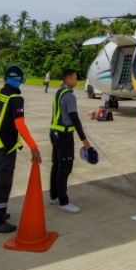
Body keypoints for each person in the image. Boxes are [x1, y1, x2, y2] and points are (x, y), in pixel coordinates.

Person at [0, 65, 42, 234]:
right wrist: (33, 146)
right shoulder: (16, 99)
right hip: (6, 146)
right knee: (2, 181)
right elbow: (19, 124)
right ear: (20, 79)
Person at [48, 68, 91, 213]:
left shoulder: (58, 92)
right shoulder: (70, 96)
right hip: (64, 136)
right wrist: (83, 139)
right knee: (65, 168)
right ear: (68, 79)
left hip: (54, 133)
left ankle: (53, 195)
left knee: (56, 165)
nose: (76, 80)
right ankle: (63, 201)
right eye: (75, 78)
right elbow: (74, 118)